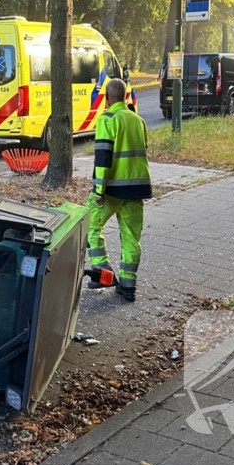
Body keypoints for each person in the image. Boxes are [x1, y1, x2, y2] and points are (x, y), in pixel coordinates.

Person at [87, 78, 152, 303]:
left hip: (113, 188)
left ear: (107, 98)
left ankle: (102, 270)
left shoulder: (108, 119)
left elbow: (103, 157)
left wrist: (98, 191)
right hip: (137, 188)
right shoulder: (138, 120)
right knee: (131, 237)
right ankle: (128, 286)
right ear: (125, 97)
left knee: (90, 225)